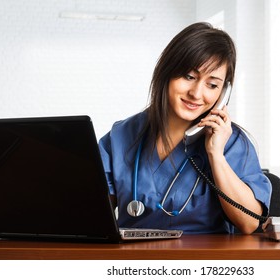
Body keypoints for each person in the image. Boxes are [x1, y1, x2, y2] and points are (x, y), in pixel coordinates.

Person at [99, 22, 271, 234]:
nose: (197, 94)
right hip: (133, 263)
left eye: (212, 85)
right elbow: (90, 214)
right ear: (166, 73)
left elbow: (249, 222)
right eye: (189, 77)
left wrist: (216, 155)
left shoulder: (232, 143)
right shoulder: (121, 136)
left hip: (207, 264)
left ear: (223, 93)